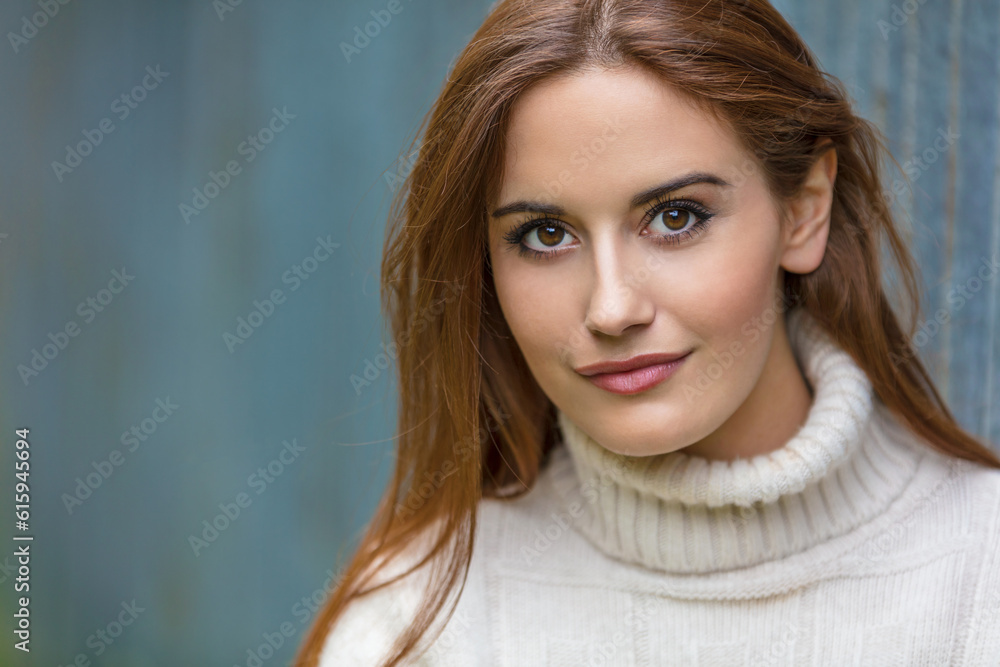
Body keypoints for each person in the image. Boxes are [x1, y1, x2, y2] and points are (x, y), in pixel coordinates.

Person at [295, 0, 1000, 664]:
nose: (611, 308)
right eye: (545, 234)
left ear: (803, 212)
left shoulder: (979, 577)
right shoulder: (419, 620)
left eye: (675, 217)